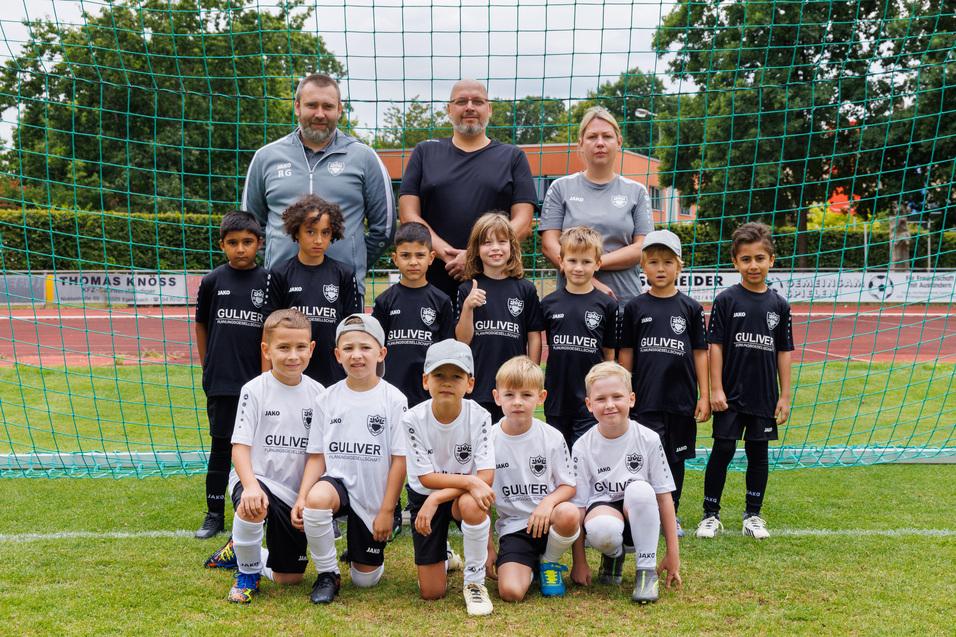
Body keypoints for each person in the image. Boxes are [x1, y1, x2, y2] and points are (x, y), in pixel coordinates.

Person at [242, 73, 394, 294]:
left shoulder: (364, 158)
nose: (320, 114)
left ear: (339, 110)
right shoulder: (266, 157)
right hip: (280, 289)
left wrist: (351, 264)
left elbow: (385, 229)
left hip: (342, 291)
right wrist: (277, 260)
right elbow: (251, 226)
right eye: (312, 105)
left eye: (328, 106)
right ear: (297, 107)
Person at [293, 314, 407, 604]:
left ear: (381, 353)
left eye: (366, 348)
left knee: (364, 580)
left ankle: (364, 548)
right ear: (337, 354)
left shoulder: (394, 399)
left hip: (374, 498)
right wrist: (303, 496)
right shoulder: (327, 399)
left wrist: (386, 510)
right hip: (337, 486)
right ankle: (327, 573)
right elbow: (317, 455)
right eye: (348, 348)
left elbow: (399, 461)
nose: (357, 355)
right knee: (317, 499)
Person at [696, 222, 794, 541]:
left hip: (764, 394)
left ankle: (753, 515)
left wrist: (785, 396)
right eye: (747, 259)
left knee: (758, 453)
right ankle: (711, 515)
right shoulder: (727, 300)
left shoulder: (779, 305)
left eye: (760, 258)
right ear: (736, 262)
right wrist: (715, 389)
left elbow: (784, 352)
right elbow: (716, 347)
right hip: (730, 394)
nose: (754, 265)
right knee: (722, 449)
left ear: (772, 260)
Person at [220, 309, 326, 604]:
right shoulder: (254, 390)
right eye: (283, 347)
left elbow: (317, 455)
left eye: (300, 347)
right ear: (266, 350)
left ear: (311, 349)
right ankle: (247, 572)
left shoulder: (319, 395)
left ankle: (240, 548)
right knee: (253, 505)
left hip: (293, 491)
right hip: (258, 479)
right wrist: (250, 486)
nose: (293, 355)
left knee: (289, 579)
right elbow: (239, 446)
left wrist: (304, 497)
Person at [398, 79, 537, 299]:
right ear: (449, 109)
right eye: (461, 101)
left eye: (478, 101)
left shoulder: (513, 157)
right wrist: (447, 255)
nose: (470, 107)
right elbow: (408, 214)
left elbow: (524, 221)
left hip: (495, 281)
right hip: (431, 282)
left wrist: (474, 257)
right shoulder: (424, 152)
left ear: (489, 109)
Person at [618, 229, 710, 537]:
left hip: (681, 400)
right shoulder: (634, 308)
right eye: (654, 262)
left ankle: (673, 513)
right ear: (642, 266)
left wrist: (704, 395)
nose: (660, 268)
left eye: (668, 262)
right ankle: (644, 513)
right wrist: (624, 391)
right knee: (643, 458)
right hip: (645, 399)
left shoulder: (691, 309)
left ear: (679, 266)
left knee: (676, 458)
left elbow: (700, 353)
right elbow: (626, 355)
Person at [569, 362, 681, 604]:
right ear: (589, 405)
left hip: (640, 516)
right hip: (605, 514)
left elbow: (663, 496)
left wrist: (673, 553)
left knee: (641, 490)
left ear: (631, 399)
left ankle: (646, 571)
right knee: (602, 530)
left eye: (617, 396)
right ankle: (613, 555)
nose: (609, 404)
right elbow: (578, 506)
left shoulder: (649, 440)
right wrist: (579, 561)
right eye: (600, 399)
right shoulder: (582, 446)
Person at [402, 339, 496, 616]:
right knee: (432, 593)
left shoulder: (479, 416)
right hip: (426, 494)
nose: (447, 382)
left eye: (456, 376)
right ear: (425, 380)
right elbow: (427, 477)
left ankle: (475, 582)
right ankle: (444, 553)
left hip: (458, 497)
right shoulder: (411, 419)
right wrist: (467, 482)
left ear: (469, 383)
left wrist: (441, 498)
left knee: (473, 503)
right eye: (439, 375)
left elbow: (486, 475)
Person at [193, 211, 269, 540]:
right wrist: (206, 363)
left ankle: (262, 507)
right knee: (221, 446)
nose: (241, 249)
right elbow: (201, 324)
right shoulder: (213, 281)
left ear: (259, 244)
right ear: (222, 244)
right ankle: (213, 513)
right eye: (233, 243)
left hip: (256, 383)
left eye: (247, 242)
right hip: (222, 381)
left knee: (260, 447)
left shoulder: (269, 281)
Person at [539, 106, 654, 303]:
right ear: (581, 143)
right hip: (572, 303)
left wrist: (590, 265)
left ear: (618, 142)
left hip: (624, 302)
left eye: (607, 136)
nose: (600, 143)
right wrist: (588, 279)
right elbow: (549, 245)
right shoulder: (560, 188)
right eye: (592, 137)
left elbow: (642, 248)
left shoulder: (637, 191)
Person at [488, 356, 579, 601]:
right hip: (515, 528)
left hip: (549, 522)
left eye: (526, 395)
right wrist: (487, 548)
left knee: (569, 513)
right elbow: (481, 497)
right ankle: (530, 567)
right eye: (509, 395)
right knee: (510, 592)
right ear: (497, 397)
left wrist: (547, 503)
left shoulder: (551, 436)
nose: (517, 402)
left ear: (541, 397)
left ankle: (549, 563)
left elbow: (568, 485)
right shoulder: (488, 439)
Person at [454, 213, 544, 423]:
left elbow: (534, 337)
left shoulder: (525, 289)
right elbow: (462, 340)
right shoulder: (467, 289)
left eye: (502, 241)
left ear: (512, 246)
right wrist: (468, 307)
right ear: (476, 249)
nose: (495, 248)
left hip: (514, 389)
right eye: (487, 243)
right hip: (478, 385)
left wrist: (532, 375)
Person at [264, 195, 362, 386]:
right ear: (296, 232)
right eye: (310, 232)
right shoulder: (280, 273)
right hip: (291, 370)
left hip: (333, 372)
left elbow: (352, 327)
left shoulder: (344, 273)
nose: (318, 240)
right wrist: (266, 376)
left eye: (325, 233)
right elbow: (269, 329)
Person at [540, 226, 618, 450]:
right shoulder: (548, 304)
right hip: (557, 395)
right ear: (561, 262)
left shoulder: (607, 305)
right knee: (558, 455)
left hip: (591, 397)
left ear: (598, 264)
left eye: (586, 262)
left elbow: (609, 354)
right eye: (572, 261)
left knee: (587, 454)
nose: (578, 268)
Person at [372, 222, 455, 407]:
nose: (413, 262)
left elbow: (446, 349)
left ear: (431, 257)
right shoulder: (384, 301)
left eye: (420, 255)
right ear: (395, 259)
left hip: (427, 393)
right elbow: (376, 348)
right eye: (405, 255)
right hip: (391, 391)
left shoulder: (442, 301)